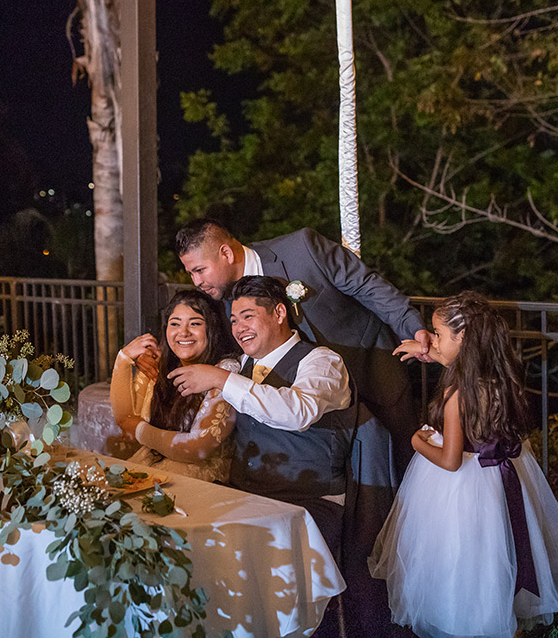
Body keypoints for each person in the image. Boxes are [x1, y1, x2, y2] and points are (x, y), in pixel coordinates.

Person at [173, 219, 429, 634]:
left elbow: (367, 286)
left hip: (371, 374)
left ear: (225, 252)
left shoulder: (302, 248)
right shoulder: (228, 302)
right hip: (300, 424)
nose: (196, 280)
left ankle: (404, 604)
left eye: (198, 270)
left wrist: (414, 328)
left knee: (399, 503)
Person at [370, 291, 558, 637]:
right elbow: (457, 361)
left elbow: (450, 460)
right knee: (495, 555)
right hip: (498, 481)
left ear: (464, 340)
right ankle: (504, 618)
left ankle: (466, 622)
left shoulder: (456, 395)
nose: (433, 341)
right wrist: (427, 351)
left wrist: (416, 441)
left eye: (439, 335)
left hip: (460, 486)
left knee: (459, 561)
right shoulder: (496, 380)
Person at [167, 275, 358, 556]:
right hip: (245, 494)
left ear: (280, 313)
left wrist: (221, 379)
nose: (239, 328)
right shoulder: (241, 364)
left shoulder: (322, 361)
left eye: (247, 317)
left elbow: (298, 411)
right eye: (233, 320)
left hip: (306, 502)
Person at [110, 289, 240, 482]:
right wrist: (122, 360)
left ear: (211, 328)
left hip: (201, 487)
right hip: (153, 474)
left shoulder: (225, 371)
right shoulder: (161, 367)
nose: (183, 332)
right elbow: (125, 422)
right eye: (175, 324)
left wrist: (140, 431)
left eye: (195, 323)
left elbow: (198, 448)